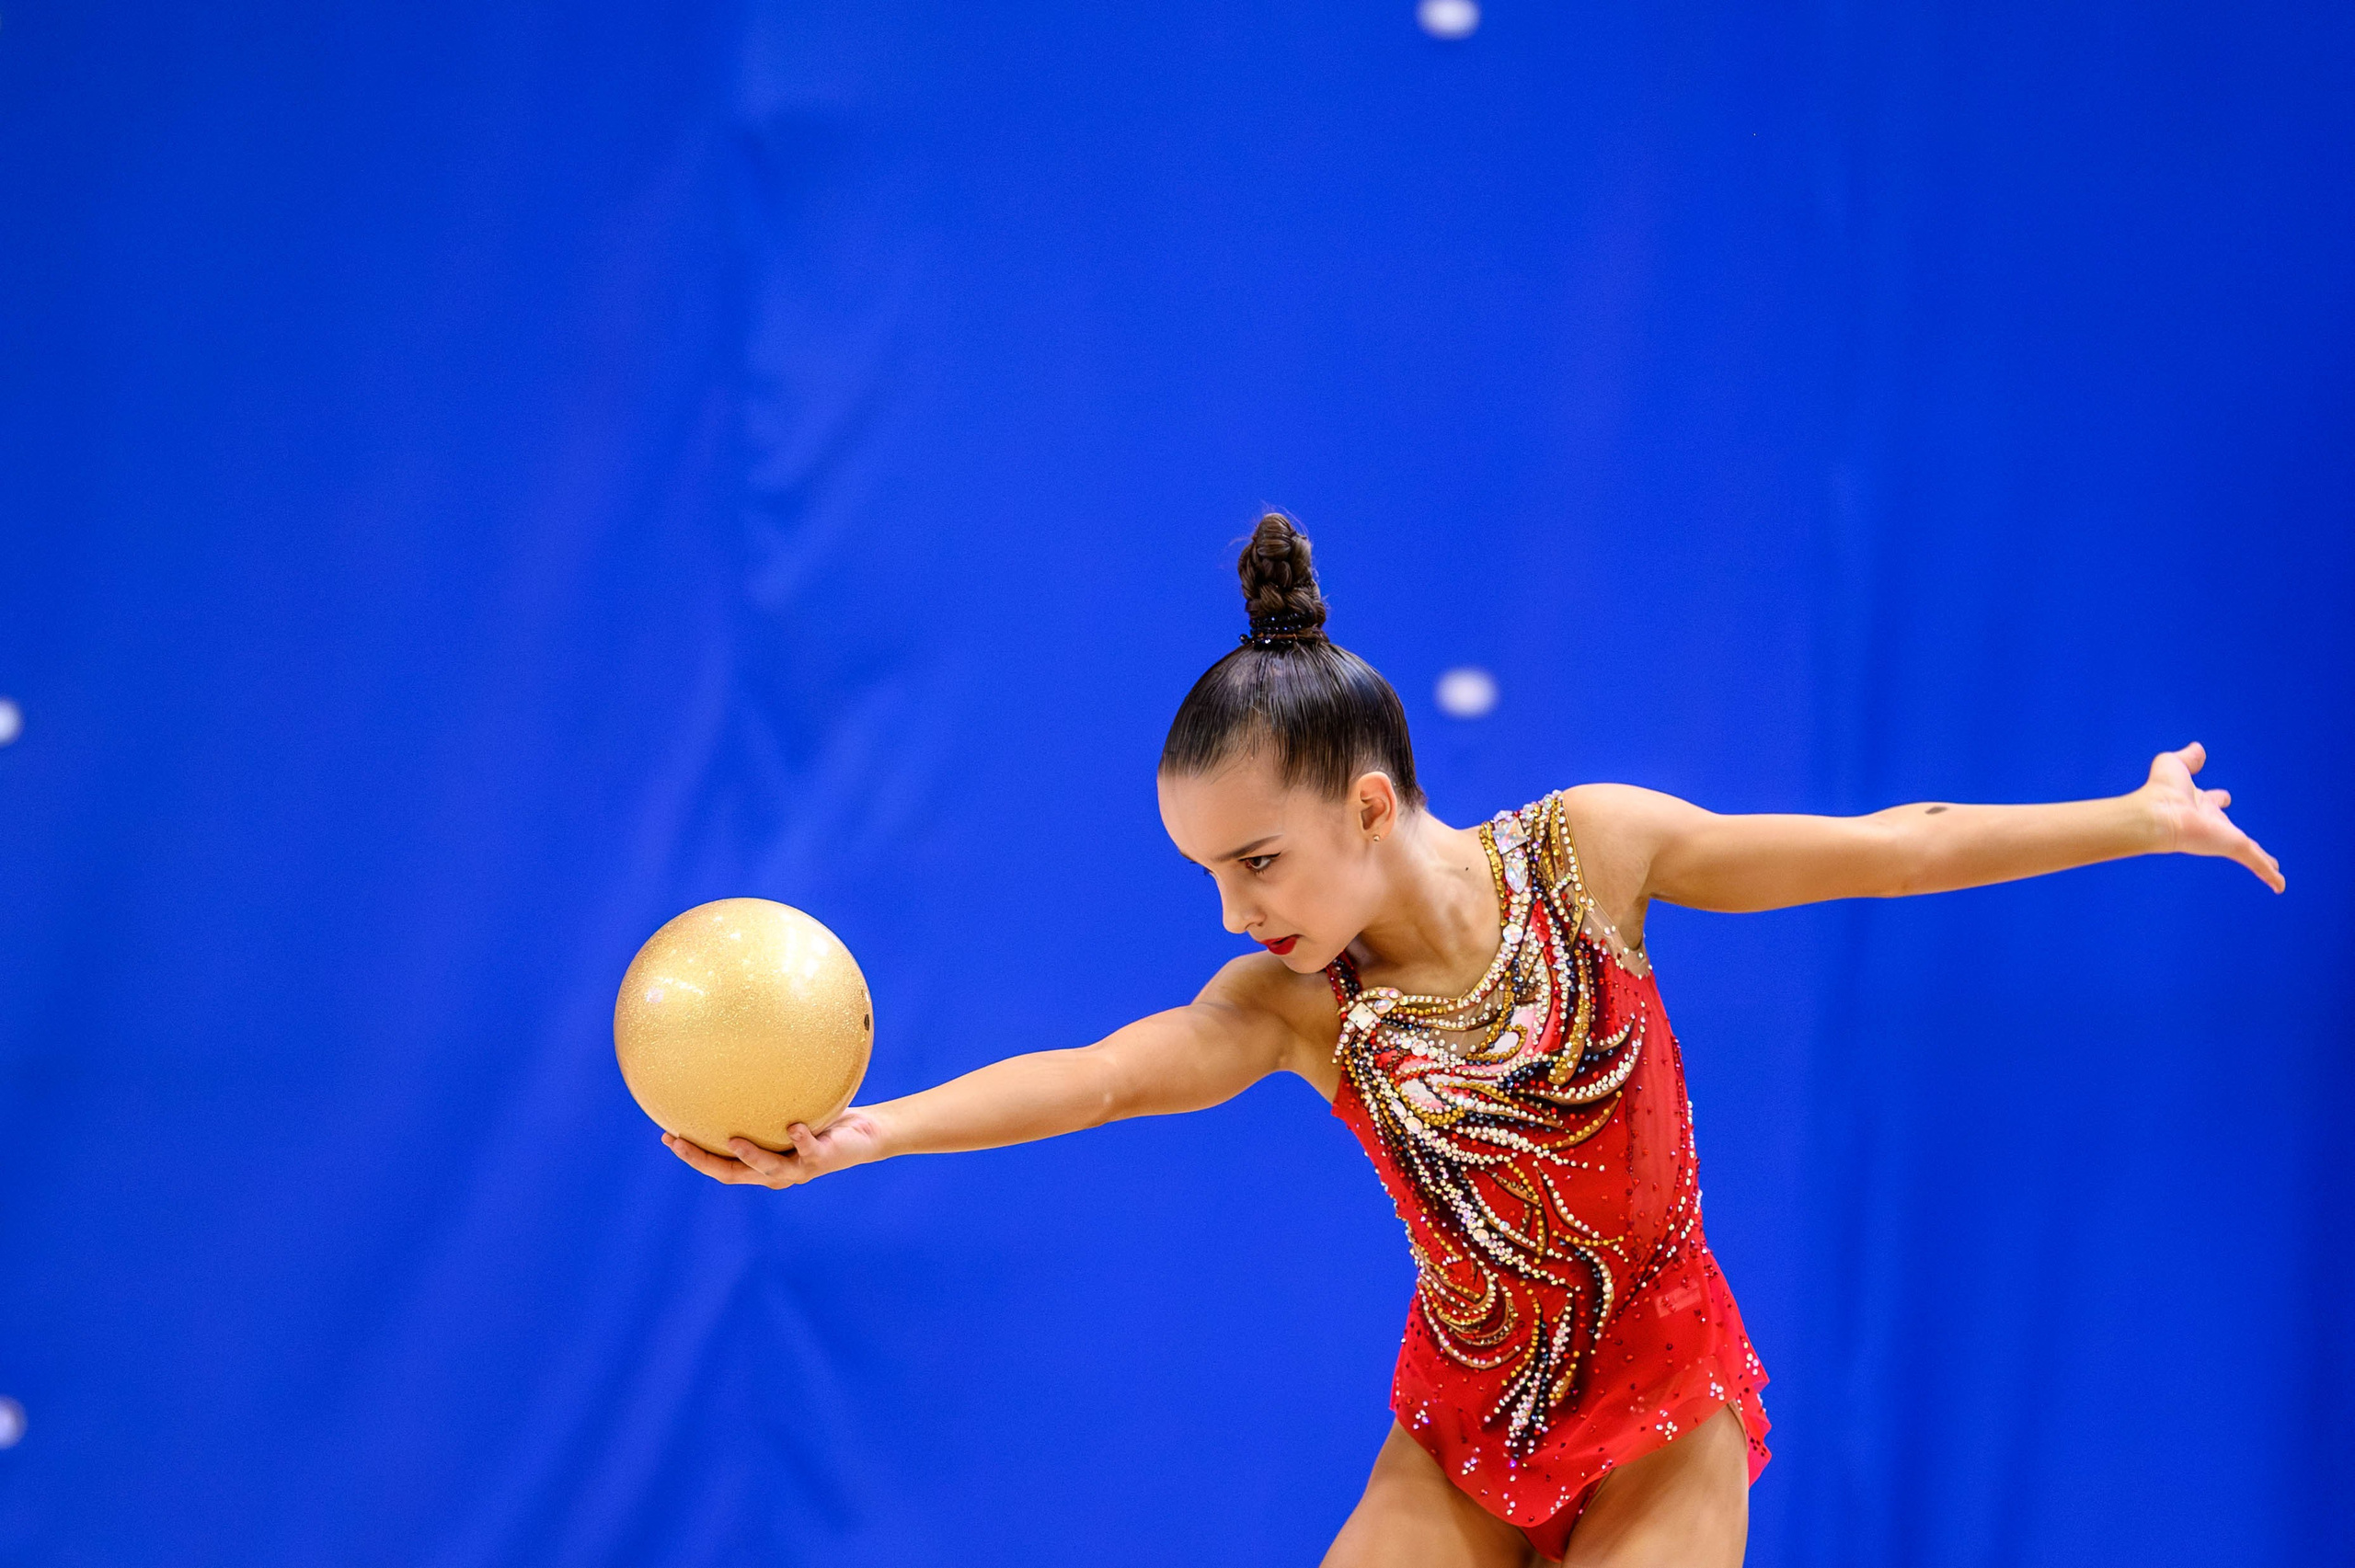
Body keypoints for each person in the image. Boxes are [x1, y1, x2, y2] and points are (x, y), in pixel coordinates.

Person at [662, 514, 2285, 1567]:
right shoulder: (1300, 1006)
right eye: (1210, 874)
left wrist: (2133, 816)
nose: (1236, 909)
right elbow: (1094, 1079)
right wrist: (868, 1130)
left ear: (1370, 803)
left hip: (1662, 1391)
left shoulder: (1595, 855)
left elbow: (1894, 846)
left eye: (1257, 861)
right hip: (1464, 1417)